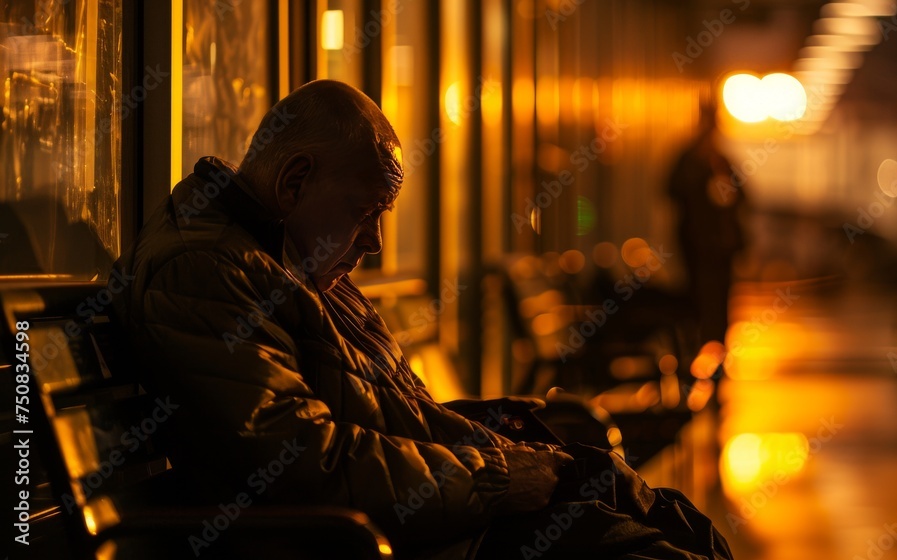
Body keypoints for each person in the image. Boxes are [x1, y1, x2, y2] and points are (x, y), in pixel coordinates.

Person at [111, 80, 733, 559]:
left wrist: (505, 431)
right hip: (379, 540)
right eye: (366, 212)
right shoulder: (204, 271)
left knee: (667, 516)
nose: (376, 241)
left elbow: (390, 416)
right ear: (295, 181)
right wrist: (493, 477)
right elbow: (307, 465)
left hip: (427, 518)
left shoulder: (291, 260)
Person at [665, 99, 749, 349]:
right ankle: (698, 341)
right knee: (698, 293)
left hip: (720, 246)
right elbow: (671, 190)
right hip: (696, 244)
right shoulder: (689, 159)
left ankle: (716, 342)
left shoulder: (721, 162)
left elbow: (743, 196)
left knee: (720, 295)